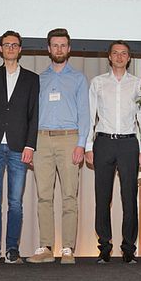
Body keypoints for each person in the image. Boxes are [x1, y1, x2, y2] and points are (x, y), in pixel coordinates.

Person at [85, 40, 141, 264]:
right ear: (109, 57)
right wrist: (88, 146)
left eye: (124, 53)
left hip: (129, 144)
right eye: (116, 53)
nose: (120, 57)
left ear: (129, 58)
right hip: (103, 142)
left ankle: (128, 248)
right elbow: (89, 116)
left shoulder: (138, 84)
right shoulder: (98, 83)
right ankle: (104, 247)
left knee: (129, 197)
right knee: (102, 197)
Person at [28, 28, 89, 265]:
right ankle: (45, 247)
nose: (59, 49)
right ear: (48, 49)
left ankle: (67, 248)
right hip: (42, 140)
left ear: (69, 49)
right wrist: (31, 146)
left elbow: (84, 113)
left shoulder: (79, 78)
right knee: (44, 196)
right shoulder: (38, 79)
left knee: (69, 197)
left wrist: (81, 144)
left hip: (69, 139)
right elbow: (31, 115)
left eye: (63, 45)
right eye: (55, 45)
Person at [0, 31, 39, 265]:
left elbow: (34, 115)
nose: (11, 48)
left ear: (20, 49)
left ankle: (12, 249)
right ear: (0, 49)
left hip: (19, 147)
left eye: (15, 45)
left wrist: (30, 145)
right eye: (7, 45)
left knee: (15, 202)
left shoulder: (32, 78)